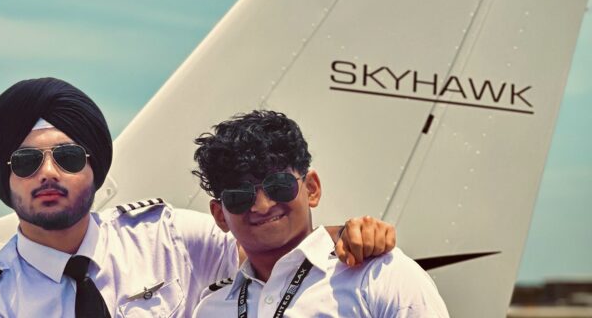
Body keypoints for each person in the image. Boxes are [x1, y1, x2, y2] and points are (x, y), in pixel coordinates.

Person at [0, 78, 397, 317]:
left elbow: (271, 243)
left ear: (95, 167)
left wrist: (350, 235)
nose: (47, 173)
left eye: (68, 157)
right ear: (3, 176)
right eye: (25, 162)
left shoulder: (168, 237)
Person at [191, 110, 450, 318]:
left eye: (278, 185)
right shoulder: (211, 309)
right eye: (239, 195)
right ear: (220, 216)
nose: (262, 205)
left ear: (312, 189)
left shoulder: (380, 276)